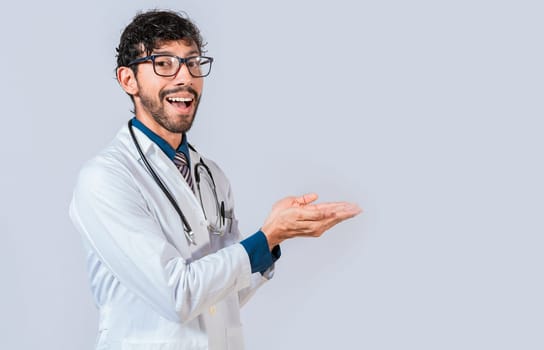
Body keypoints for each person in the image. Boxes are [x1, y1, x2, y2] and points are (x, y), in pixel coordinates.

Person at [69, 9, 361, 350]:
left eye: (192, 62)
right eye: (164, 63)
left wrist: (274, 238)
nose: (185, 78)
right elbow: (178, 296)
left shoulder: (211, 175)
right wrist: (268, 235)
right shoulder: (105, 179)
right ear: (127, 79)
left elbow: (224, 296)